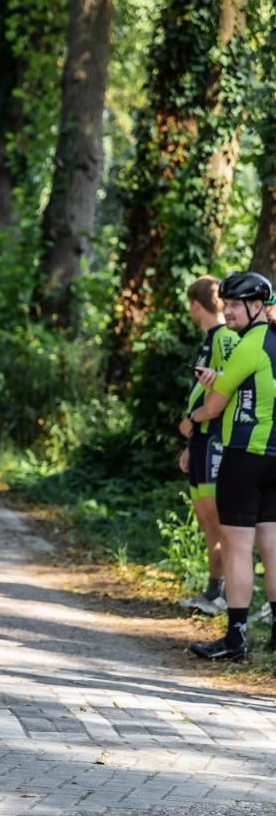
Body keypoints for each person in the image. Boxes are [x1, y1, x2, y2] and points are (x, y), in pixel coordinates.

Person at [180, 271, 276, 660]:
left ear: (257, 306)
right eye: (227, 304)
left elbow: (214, 406)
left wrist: (192, 419)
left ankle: (236, 639)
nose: (229, 311)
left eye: (236, 305)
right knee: (272, 545)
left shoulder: (248, 346)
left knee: (238, 548)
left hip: (244, 456)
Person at [177, 277, 239, 614]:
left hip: (216, 435)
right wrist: (191, 441)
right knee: (206, 519)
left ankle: (228, 595)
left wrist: (197, 418)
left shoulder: (225, 337)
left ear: (196, 305)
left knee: (220, 519)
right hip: (201, 438)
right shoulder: (209, 339)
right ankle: (213, 591)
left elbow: (228, 387)